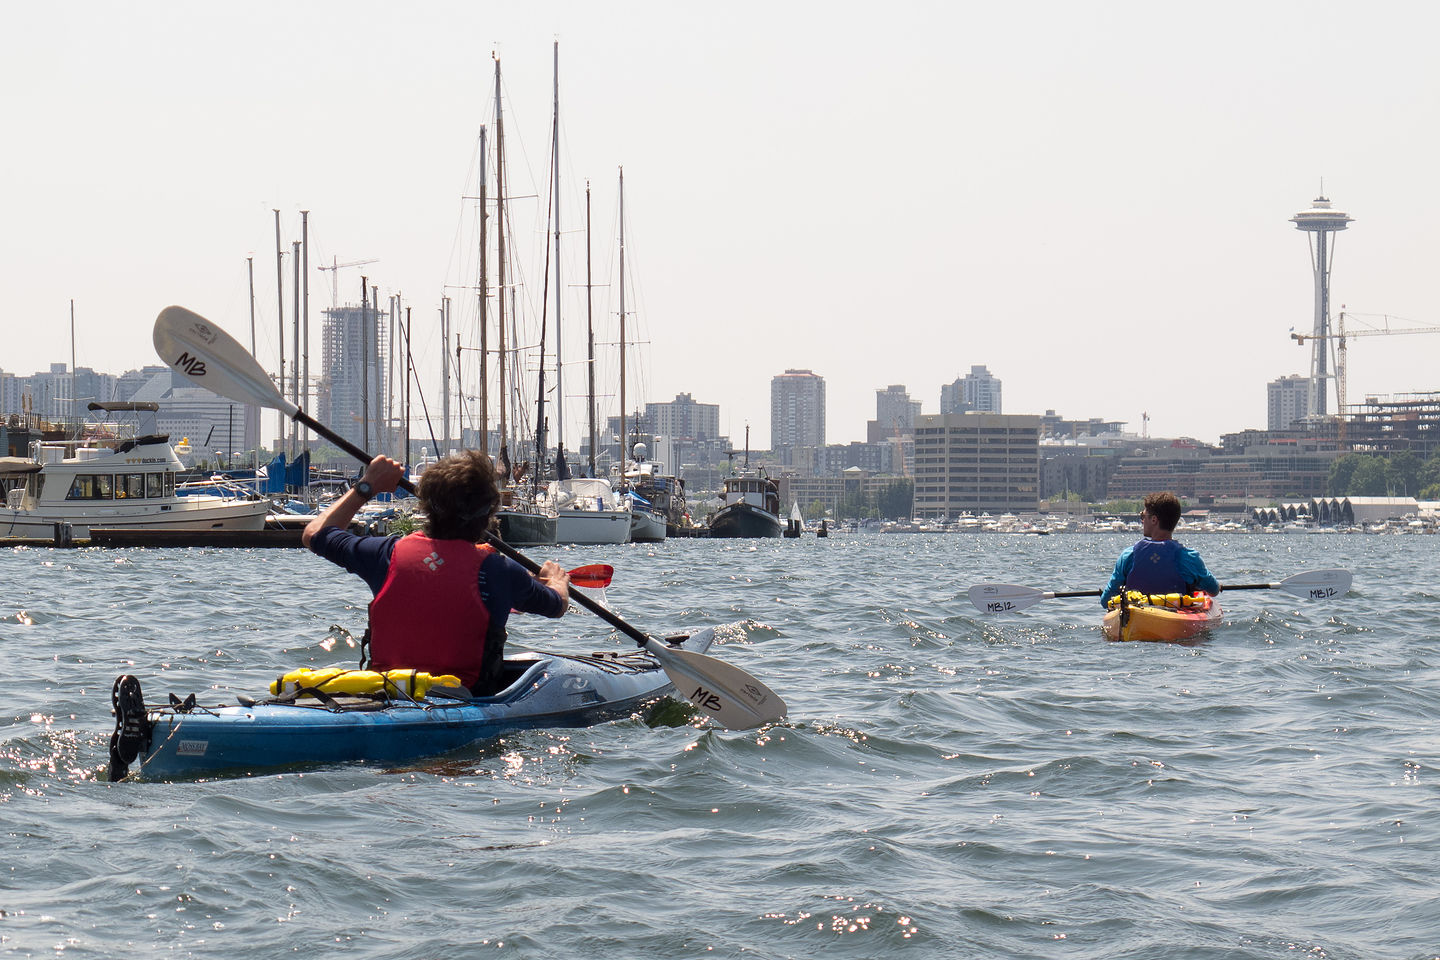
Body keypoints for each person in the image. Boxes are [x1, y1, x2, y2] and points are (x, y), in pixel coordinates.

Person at [302, 450, 570, 695]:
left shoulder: (384, 555)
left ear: (427, 506)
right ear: (489, 510)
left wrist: (366, 486)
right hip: (466, 700)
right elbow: (556, 606)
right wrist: (556, 581)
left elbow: (314, 533)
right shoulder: (501, 571)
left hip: (387, 695)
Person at [1100, 491, 1220, 607]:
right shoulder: (1189, 558)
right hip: (1175, 618)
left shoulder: (1128, 555)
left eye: (1143, 516)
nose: (1142, 521)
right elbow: (1214, 590)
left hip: (1136, 617)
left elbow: (1105, 601)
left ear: (1154, 520)